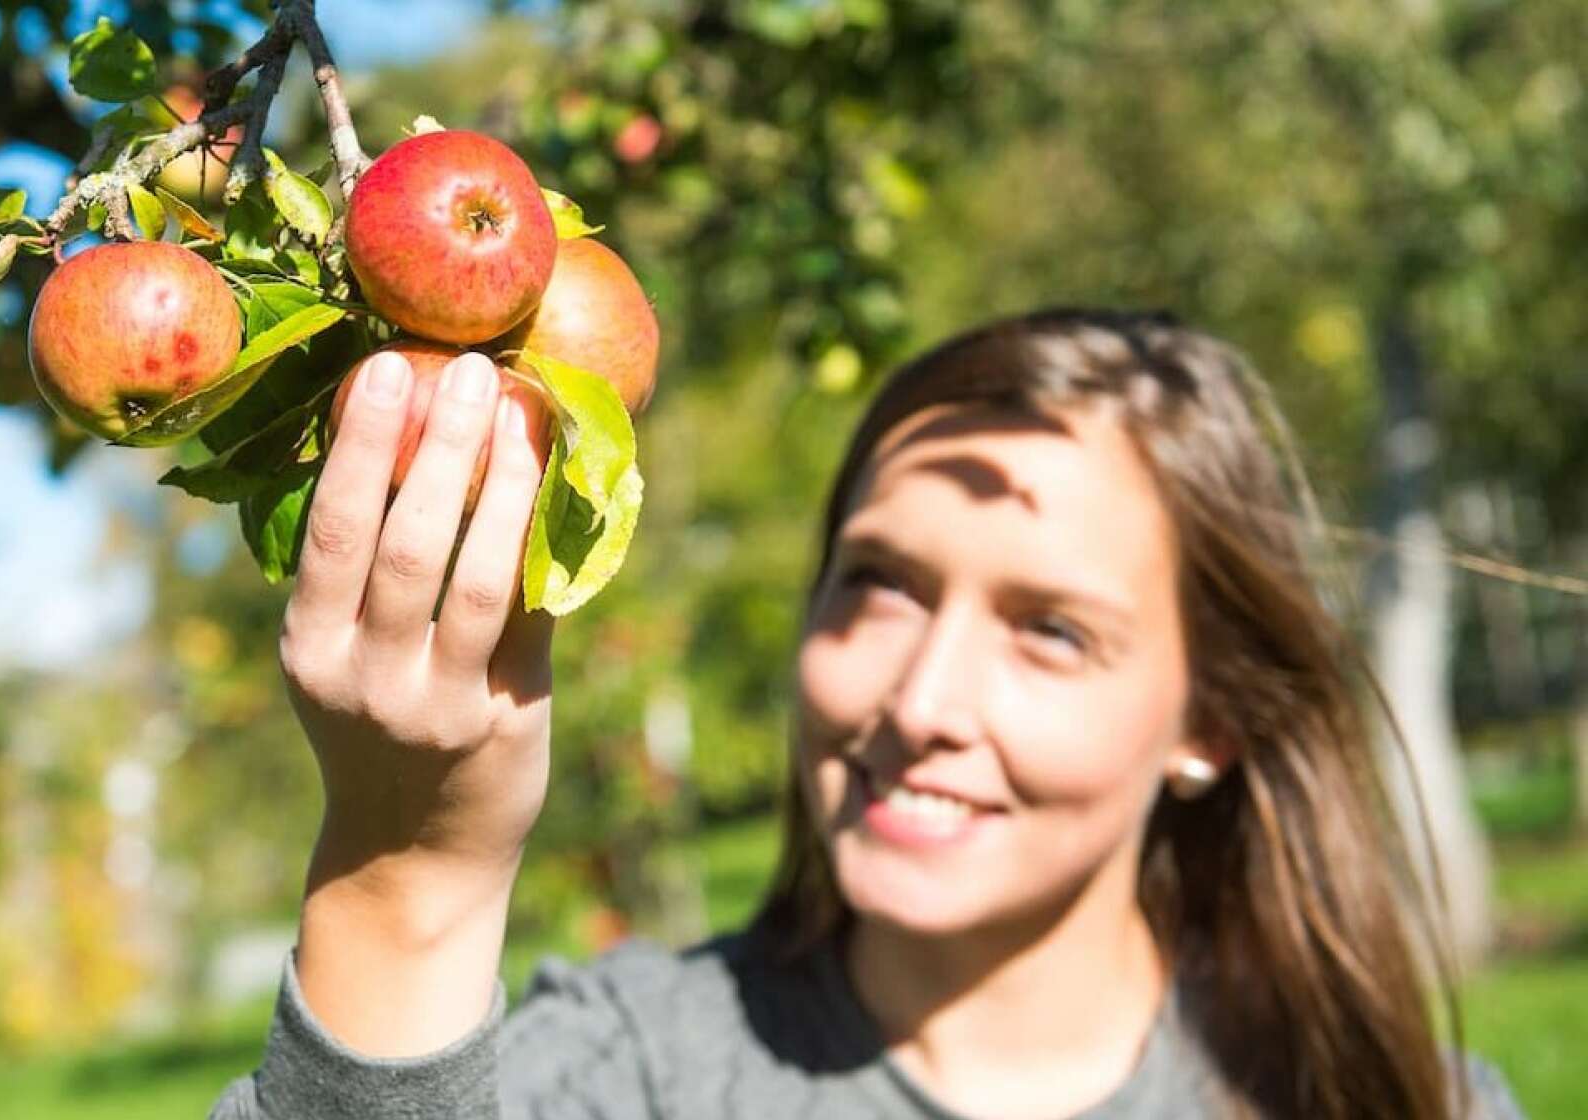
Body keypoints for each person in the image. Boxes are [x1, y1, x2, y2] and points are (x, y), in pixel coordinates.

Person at [209, 309, 1526, 1119]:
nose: (921, 699)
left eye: (1051, 630)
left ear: (1212, 724)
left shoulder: (1403, 1107)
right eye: (880, 586)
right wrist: (408, 879)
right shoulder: (623, 1077)